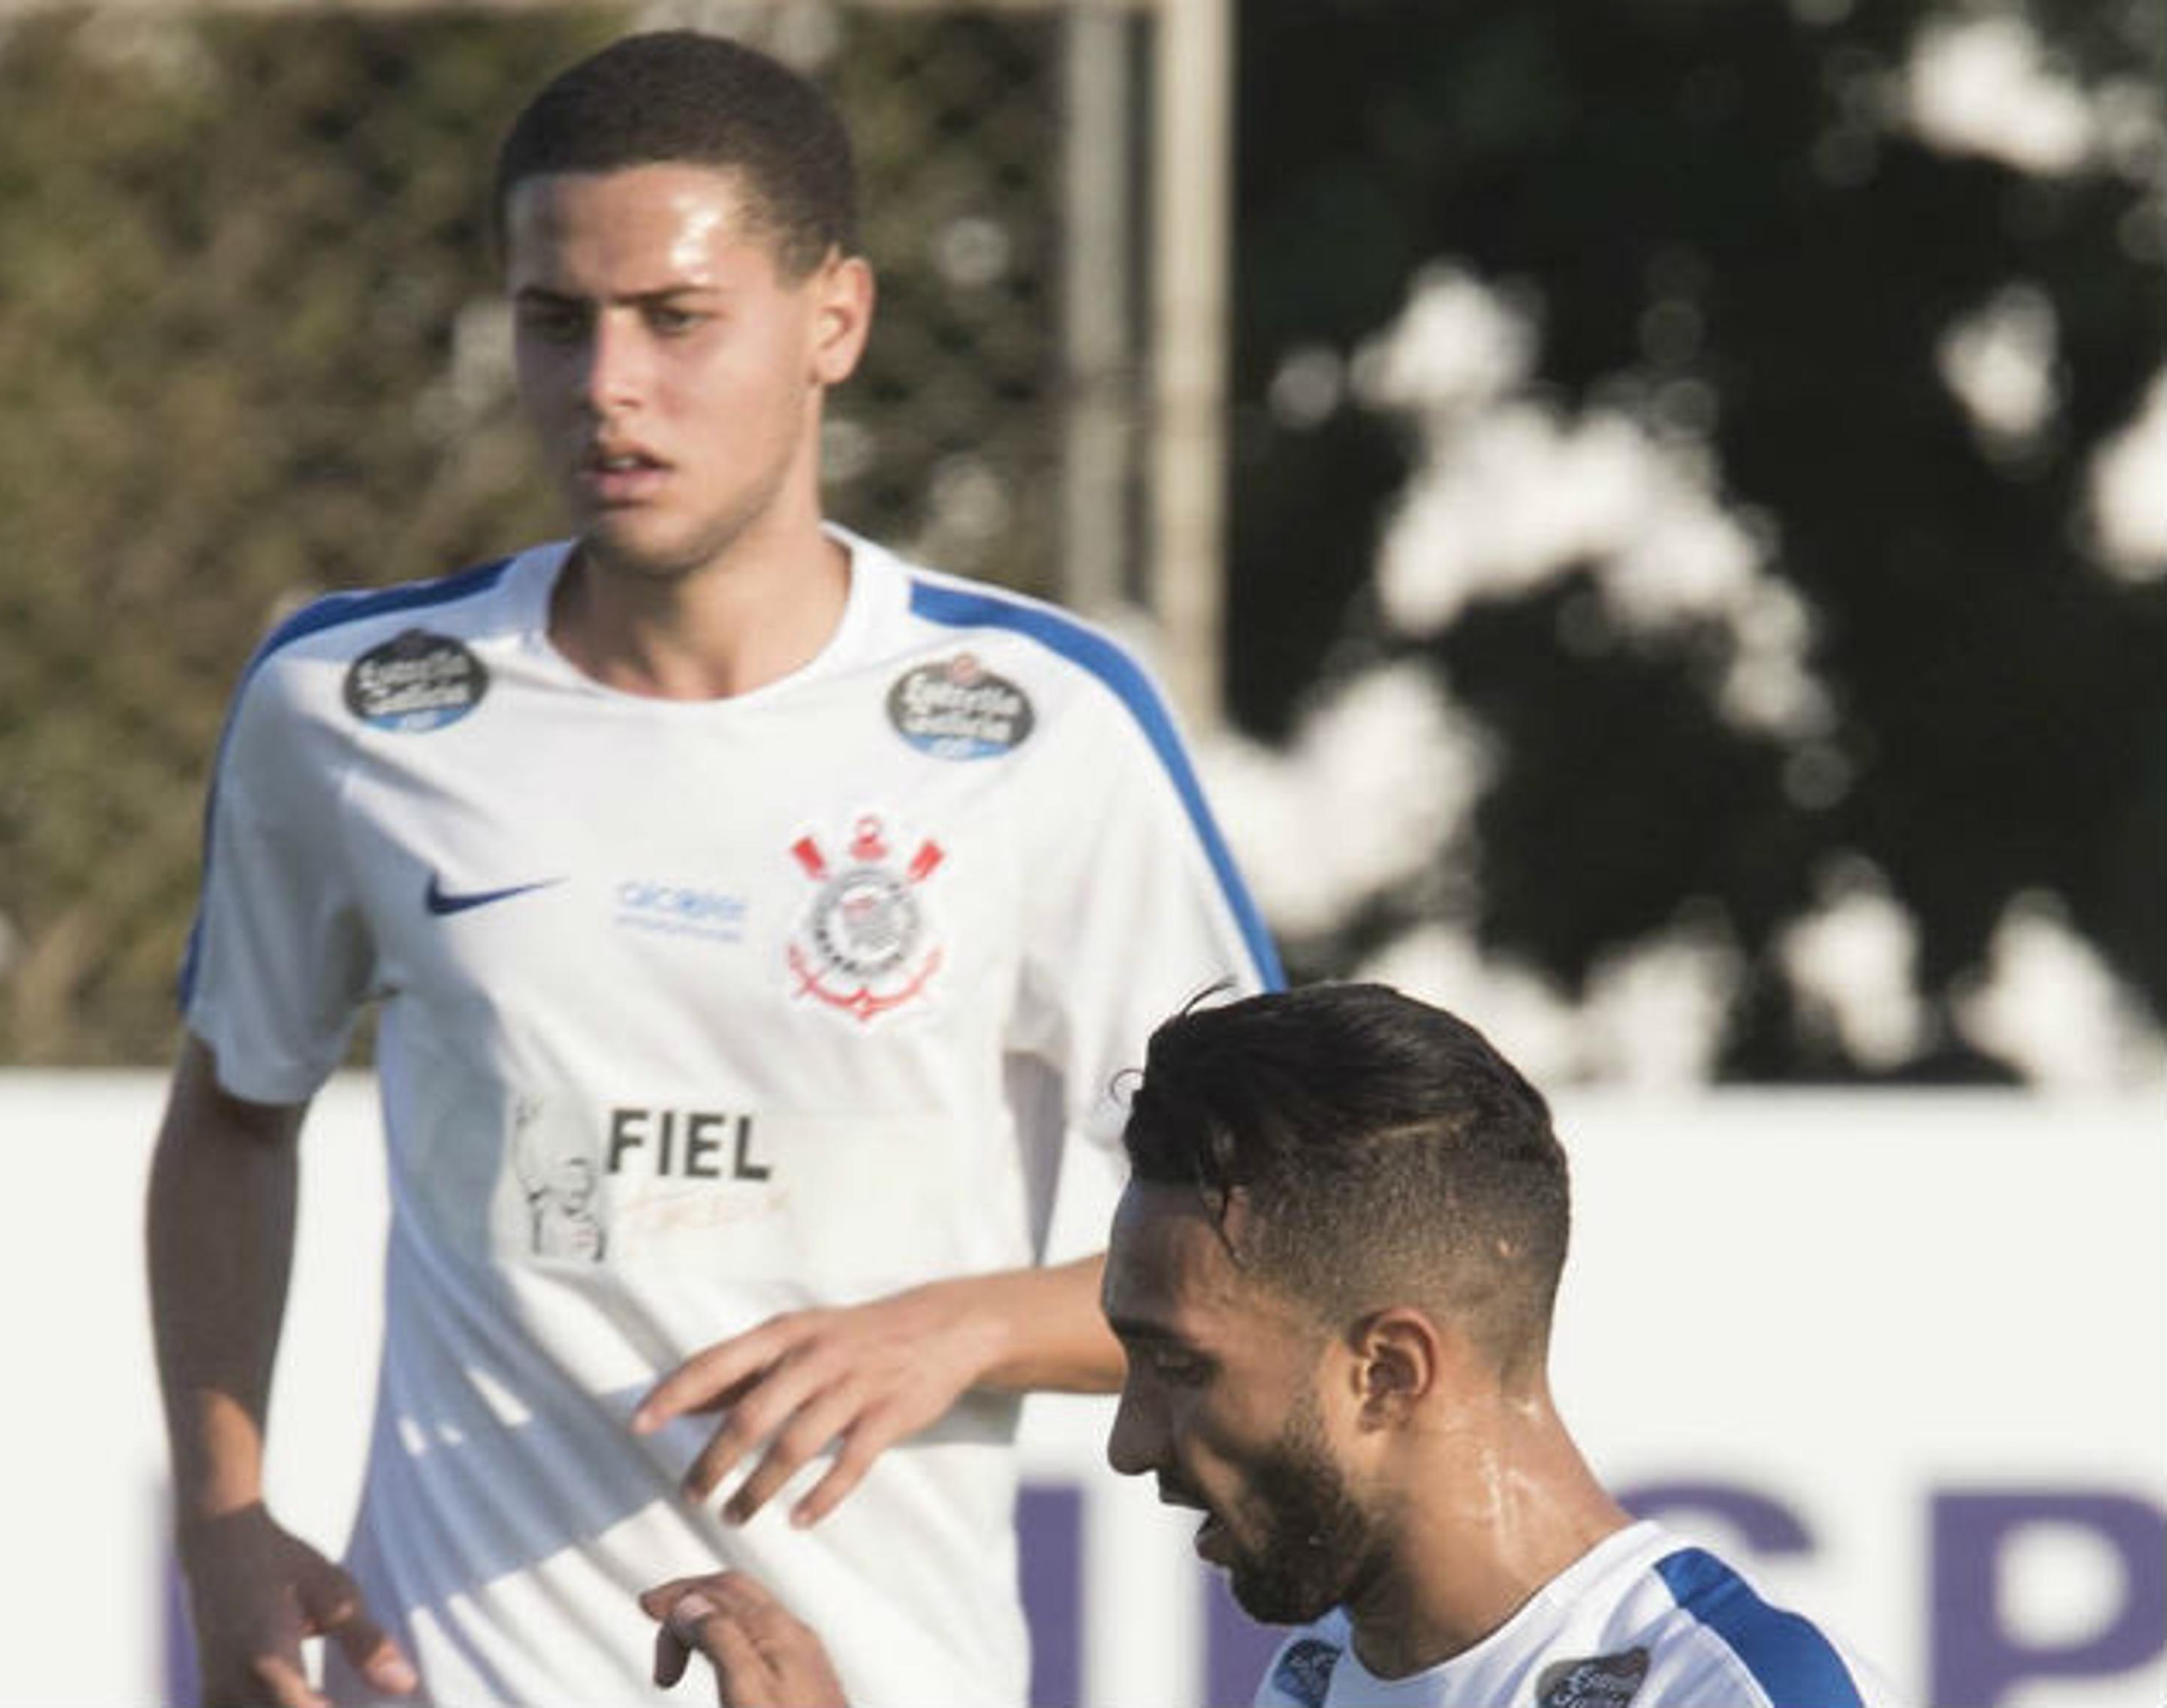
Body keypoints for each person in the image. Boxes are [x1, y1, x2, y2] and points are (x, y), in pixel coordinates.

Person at [146, 28, 1281, 1708]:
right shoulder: (351, 704)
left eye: (677, 319)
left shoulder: (1044, 726)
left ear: (835, 319)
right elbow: (234, 1120)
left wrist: (954, 1326)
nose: (608, 383)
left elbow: (1276, 1245)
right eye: (555, 321)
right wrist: (221, 1519)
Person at [640, 984, 1906, 1708]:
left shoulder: (1731, 1695)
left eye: (1178, 1365)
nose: (1133, 1441)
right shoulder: (1312, 1682)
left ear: (1390, 1372)